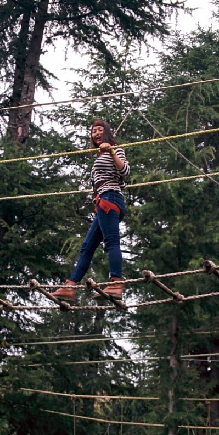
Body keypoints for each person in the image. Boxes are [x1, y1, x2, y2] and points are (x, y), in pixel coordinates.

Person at [51, 120, 130, 302]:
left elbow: (125, 172)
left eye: (100, 130)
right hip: (103, 200)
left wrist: (110, 150)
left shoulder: (116, 149)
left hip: (110, 198)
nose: (96, 133)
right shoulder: (99, 155)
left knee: (111, 241)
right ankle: (70, 286)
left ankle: (116, 282)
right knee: (86, 247)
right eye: (93, 131)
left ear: (107, 132)